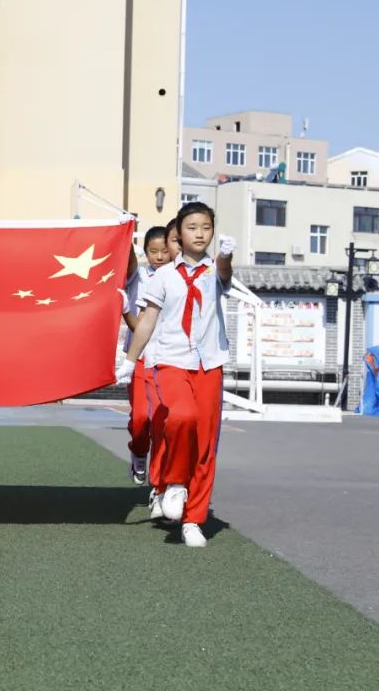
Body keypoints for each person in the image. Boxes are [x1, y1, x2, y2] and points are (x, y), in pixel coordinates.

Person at [116, 202, 235, 548]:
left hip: (209, 364)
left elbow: (225, 275)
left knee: (206, 444)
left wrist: (226, 256)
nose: (200, 233)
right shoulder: (164, 276)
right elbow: (149, 320)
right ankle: (173, 482)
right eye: (193, 227)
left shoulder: (215, 271)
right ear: (179, 235)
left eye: (206, 228)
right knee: (181, 416)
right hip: (171, 361)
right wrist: (130, 359)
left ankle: (193, 520)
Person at [121, 222, 179, 484]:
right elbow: (129, 259)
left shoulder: (175, 278)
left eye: (163, 251)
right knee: (142, 419)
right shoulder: (140, 277)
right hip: (140, 356)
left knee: (163, 422)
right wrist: (124, 229)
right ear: (145, 253)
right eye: (152, 251)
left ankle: (161, 483)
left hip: (167, 356)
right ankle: (139, 450)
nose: (159, 256)